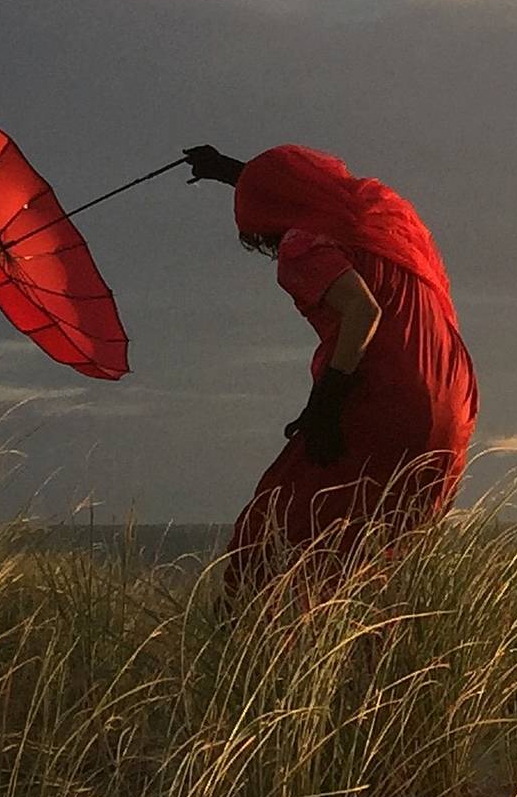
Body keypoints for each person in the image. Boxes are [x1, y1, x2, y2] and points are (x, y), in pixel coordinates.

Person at [183, 142, 478, 589]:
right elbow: (296, 185)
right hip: (451, 401)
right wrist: (232, 172)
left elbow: (363, 311)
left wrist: (325, 401)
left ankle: (258, 652)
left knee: (272, 538)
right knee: (375, 551)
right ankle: (375, 654)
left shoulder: (302, 244)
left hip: (382, 396)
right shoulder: (383, 217)